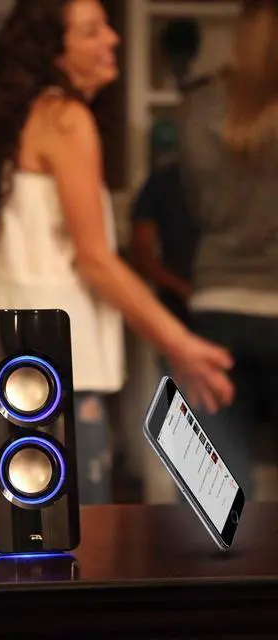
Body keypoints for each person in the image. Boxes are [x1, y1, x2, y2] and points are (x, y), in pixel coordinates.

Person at [0, 0, 234, 504]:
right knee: (77, 517)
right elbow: (95, 259)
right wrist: (179, 342)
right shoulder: (66, 118)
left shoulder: (23, 116)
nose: (113, 38)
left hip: (14, 338)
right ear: (54, 52)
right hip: (55, 346)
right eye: (91, 31)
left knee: (26, 513)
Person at [179, 0, 278, 498]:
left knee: (215, 489)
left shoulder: (202, 106)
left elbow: (199, 207)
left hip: (217, 304)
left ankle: (220, 552)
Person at [130, 158, 198, 328]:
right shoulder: (164, 181)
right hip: (176, 307)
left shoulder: (244, 180)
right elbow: (142, 255)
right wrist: (183, 289)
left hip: (236, 299)